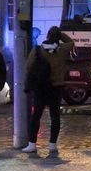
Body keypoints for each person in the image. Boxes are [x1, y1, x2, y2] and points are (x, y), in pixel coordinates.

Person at [22, 27, 73, 157]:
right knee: (55, 116)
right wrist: (61, 35)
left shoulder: (38, 49)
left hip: (41, 87)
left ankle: (32, 144)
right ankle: (52, 145)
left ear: (48, 35)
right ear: (58, 37)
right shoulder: (62, 50)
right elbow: (71, 43)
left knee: (36, 116)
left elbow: (28, 66)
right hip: (56, 87)